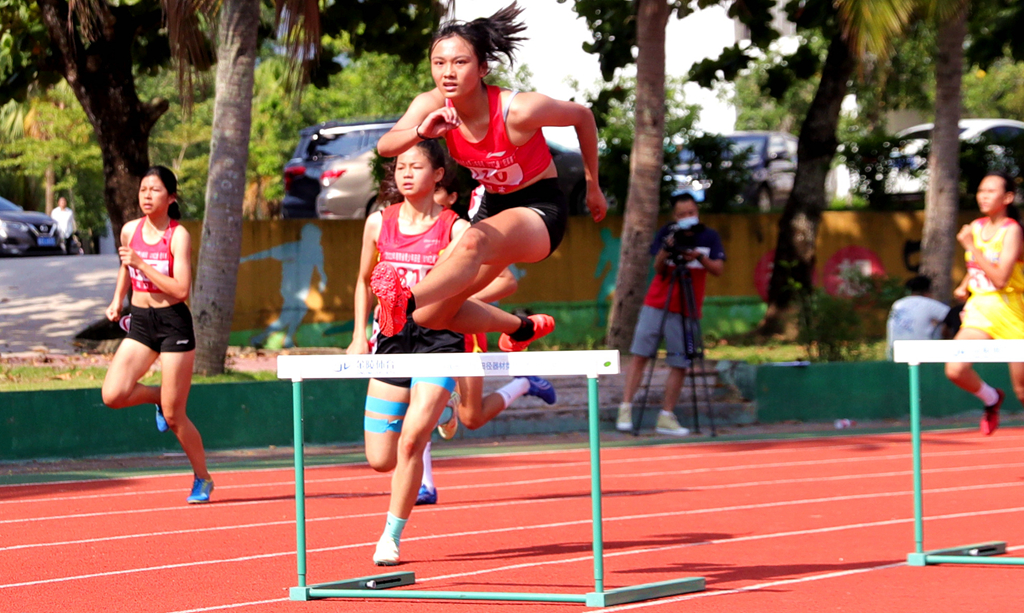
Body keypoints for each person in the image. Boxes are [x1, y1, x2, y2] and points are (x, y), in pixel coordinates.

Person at [347, 140, 553, 566]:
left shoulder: (456, 229)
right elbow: (361, 281)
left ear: (438, 174)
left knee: (411, 443)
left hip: (439, 340)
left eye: (416, 166)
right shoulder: (376, 223)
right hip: (390, 340)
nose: (405, 173)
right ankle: (447, 408)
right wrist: (355, 336)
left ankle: (391, 536)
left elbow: (482, 283)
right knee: (379, 459)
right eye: (400, 166)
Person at [370, 2, 608, 353]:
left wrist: (593, 185)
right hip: (493, 205)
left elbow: (582, 117)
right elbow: (386, 146)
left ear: (482, 68)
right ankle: (522, 327)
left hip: (539, 207)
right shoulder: (433, 103)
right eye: (439, 63)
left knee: (469, 244)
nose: (447, 73)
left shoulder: (520, 110)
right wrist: (422, 130)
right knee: (434, 317)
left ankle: (402, 302)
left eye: (460, 62)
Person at [101, 166, 213, 503]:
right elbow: (125, 264)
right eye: (143, 189)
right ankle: (156, 398)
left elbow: (180, 289)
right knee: (113, 395)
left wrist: (143, 264)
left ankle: (203, 479)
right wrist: (117, 300)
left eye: (155, 190)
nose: (147, 195)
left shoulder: (178, 236)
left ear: (171, 197)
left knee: (175, 415)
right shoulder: (130, 230)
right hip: (140, 322)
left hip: (173, 324)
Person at [616, 194, 725, 436]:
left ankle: (666, 415)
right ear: (674, 216)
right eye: (683, 214)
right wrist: (666, 252)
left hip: (688, 309)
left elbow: (718, 269)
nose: (688, 217)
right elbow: (658, 268)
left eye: (691, 212)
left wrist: (698, 256)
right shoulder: (667, 233)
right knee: (640, 355)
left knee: (680, 361)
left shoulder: (709, 237)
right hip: (657, 304)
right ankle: (625, 408)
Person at [945, 170, 1024, 436]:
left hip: (1013, 310)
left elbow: (1001, 277)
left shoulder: (1012, 231)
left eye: (991, 191)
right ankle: (991, 399)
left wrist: (971, 246)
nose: (983, 196)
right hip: (981, 309)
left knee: (1022, 390)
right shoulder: (977, 227)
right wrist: (966, 282)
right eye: (981, 190)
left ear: (1008, 197)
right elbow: (979, 265)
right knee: (955, 368)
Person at [885, 275, 951, 359]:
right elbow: (953, 316)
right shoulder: (929, 304)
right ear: (928, 290)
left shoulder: (898, 304)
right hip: (920, 354)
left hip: (894, 353)